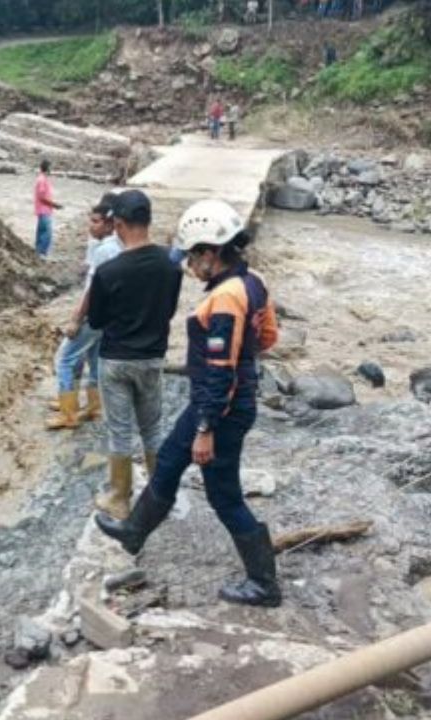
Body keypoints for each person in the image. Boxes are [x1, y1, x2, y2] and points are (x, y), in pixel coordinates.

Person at [95, 199, 282, 608]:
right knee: (169, 461)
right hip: (220, 401)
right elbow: (268, 338)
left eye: (193, 256)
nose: (189, 265)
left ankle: (265, 583)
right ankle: (134, 531)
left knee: (224, 495)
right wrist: (243, 359)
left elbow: (219, 370)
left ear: (211, 252)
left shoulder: (226, 299)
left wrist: (206, 428)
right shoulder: (254, 281)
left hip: (219, 409)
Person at [87, 190, 182, 520]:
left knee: (120, 432)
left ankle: (119, 497)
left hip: (115, 360)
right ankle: (159, 497)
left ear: (120, 224)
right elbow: (168, 310)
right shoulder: (172, 265)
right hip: (152, 358)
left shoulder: (109, 271)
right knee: (153, 429)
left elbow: (96, 320)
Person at [46, 194, 123, 431]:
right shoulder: (118, 246)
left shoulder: (103, 250)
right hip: (109, 317)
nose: (90, 226)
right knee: (95, 359)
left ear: (110, 224)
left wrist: (76, 319)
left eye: (96, 221)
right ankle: (93, 407)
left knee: (66, 359)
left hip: (94, 315)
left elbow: (92, 289)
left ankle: (68, 413)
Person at [34, 159, 62, 258]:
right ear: (47, 168)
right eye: (51, 167)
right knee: (47, 233)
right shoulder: (42, 180)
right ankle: (42, 253)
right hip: (44, 210)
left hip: (43, 210)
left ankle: (37, 252)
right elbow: (42, 197)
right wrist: (55, 205)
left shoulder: (43, 179)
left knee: (41, 231)